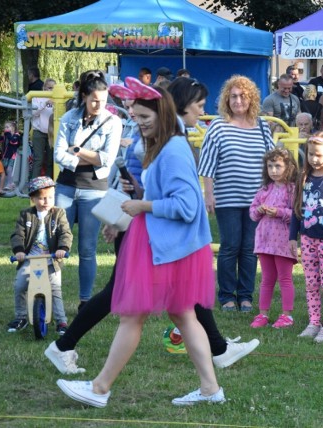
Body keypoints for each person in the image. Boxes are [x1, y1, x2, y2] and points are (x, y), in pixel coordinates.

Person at [44, 77, 258, 377]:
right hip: (149, 233)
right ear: (178, 107)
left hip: (156, 230)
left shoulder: (171, 142)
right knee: (130, 304)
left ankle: (216, 357)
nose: (202, 111)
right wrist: (126, 218)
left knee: (182, 306)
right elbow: (142, 189)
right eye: (198, 106)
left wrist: (133, 212)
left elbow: (157, 195)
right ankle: (73, 354)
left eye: (143, 116)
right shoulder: (163, 143)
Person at [199, 75, 275, 312]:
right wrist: (209, 194)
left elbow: (272, 162)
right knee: (230, 246)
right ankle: (226, 297)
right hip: (227, 199)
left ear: (251, 98)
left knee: (250, 248)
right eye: (233, 96)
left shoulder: (262, 126)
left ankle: (245, 296)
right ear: (226, 100)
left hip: (256, 200)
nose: (238, 100)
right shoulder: (219, 127)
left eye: (243, 96)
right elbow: (207, 164)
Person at [54, 70, 122, 307]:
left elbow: (107, 158)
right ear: (83, 96)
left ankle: (85, 300)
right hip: (65, 186)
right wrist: (89, 157)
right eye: (94, 100)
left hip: (95, 190)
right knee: (56, 244)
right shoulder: (69, 117)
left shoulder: (113, 122)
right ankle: (52, 295)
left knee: (87, 248)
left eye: (103, 101)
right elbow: (58, 155)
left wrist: (77, 151)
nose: (99, 105)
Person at [290, 131, 323, 342]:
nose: (314, 159)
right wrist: (292, 237)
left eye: (319, 155)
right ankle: (314, 322)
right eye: (311, 154)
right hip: (307, 239)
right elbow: (297, 209)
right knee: (311, 283)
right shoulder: (303, 179)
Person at [8, 177, 72, 334]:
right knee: (20, 285)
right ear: (33, 199)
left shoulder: (59, 214)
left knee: (55, 288)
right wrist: (19, 251)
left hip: (51, 259)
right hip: (30, 259)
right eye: (42, 198)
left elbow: (65, 232)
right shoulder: (26, 215)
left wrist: (62, 248)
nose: (46, 201)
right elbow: (18, 234)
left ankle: (61, 321)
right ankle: (21, 317)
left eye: (50, 197)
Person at [249, 148, 298, 329]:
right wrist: (259, 210)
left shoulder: (292, 190)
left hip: (283, 242)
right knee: (267, 279)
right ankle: (263, 314)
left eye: (278, 166)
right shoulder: (264, 190)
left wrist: (278, 212)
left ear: (288, 167)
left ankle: (287, 315)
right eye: (270, 166)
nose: (274, 170)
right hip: (264, 242)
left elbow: (296, 214)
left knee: (285, 278)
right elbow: (252, 214)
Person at [31, 78, 56, 179]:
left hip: (52, 132)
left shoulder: (58, 98)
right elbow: (34, 113)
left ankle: (48, 185)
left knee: (50, 161)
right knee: (39, 159)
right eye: (49, 88)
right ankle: (33, 185)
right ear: (44, 88)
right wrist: (45, 103)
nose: (51, 90)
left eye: (53, 88)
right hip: (39, 132)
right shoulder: (36, 97)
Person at [0, 120, 21, 190]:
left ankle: (10, 184)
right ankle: (11, 183)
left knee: (10, 169)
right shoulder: (6, 135)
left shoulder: (16, 135)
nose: (5, 129)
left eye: (7, 127)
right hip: (6, 155)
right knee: (6, 169)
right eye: (5, 127)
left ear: (12, 127)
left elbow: (13, 142)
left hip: (13, 155)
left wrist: (8, 134)